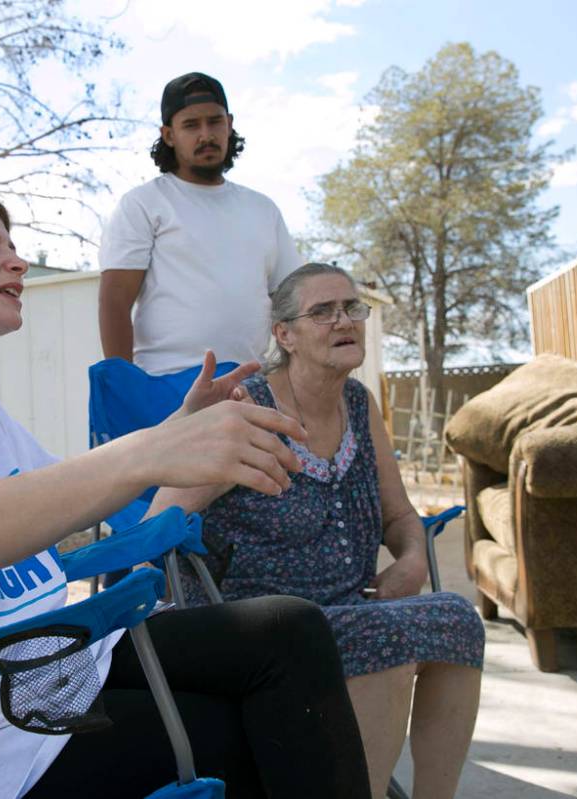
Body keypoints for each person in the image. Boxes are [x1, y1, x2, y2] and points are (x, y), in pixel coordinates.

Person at [0, 181, 370, 799]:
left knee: (288, 629)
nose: (17, 260)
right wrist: (147, 451)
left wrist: (175, 433)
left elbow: (71, 501)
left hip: (46, 670)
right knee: (240, 733)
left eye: (13, 245)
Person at [182, 263, 486, 799]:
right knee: (389, 641)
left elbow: (400, 516)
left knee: (459, 619)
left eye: (351, 308)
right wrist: (192, 438)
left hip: (347, 606)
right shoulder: (245, 408)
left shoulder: (359, 404)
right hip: (266, 623)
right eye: (321, 312)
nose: (342, 320)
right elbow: (165, 515)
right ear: (285, 335)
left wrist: (413, 557)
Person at [98, 71, 302, 375]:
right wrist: (126, 387)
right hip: (166, 382)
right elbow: (114, 301)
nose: (206, 135)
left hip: (250, 384)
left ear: (229, 124)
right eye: (191, 125)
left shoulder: (263, 209)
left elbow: (294, 302)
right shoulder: (144, 204)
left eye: (215, 122)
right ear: (169, 135)